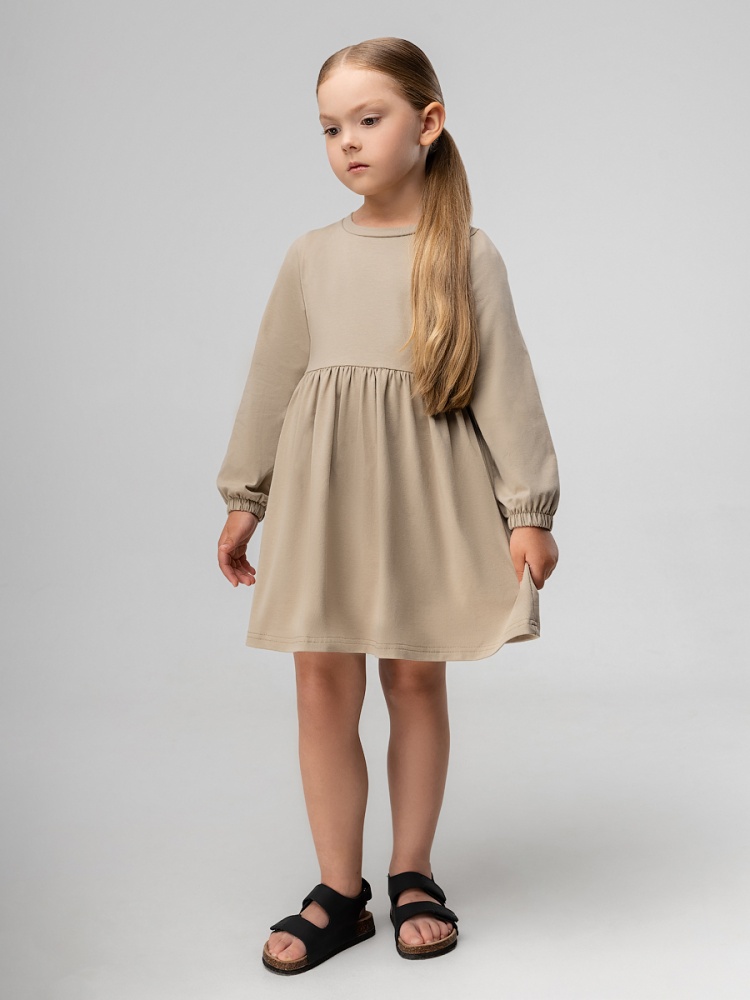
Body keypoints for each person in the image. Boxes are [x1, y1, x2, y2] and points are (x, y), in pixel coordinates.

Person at [216, 37, 560, 975]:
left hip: (424, 499)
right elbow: (272, 379)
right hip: (324, 502)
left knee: (414, 680)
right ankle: (340, 891)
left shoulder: (467, 255)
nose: (349, 142)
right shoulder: (310, 256)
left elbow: (508, 387)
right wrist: (246, 495)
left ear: (428, 122)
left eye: (369, 120)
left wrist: (529, 509)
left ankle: (414, 873)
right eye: (332, 128)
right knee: (322, 684)